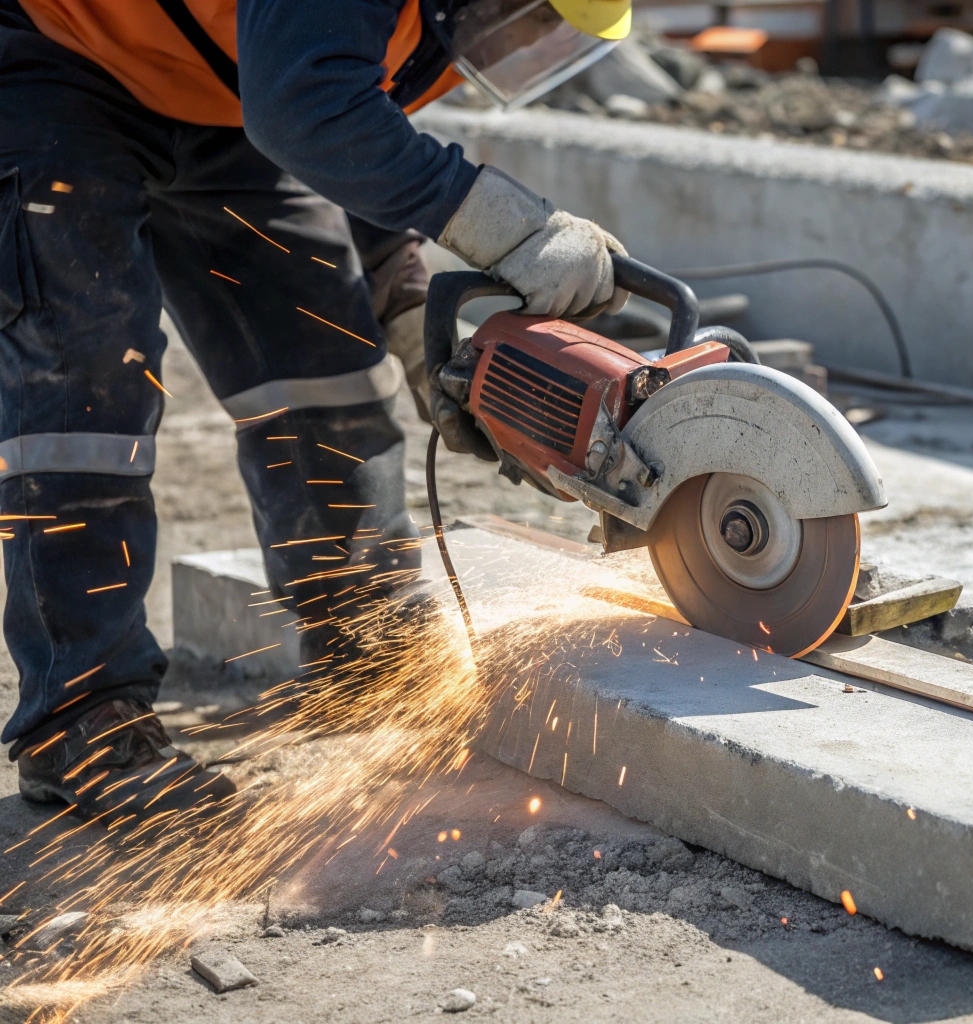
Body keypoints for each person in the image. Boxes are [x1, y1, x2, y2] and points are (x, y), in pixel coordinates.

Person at [0, 0, 630, 820]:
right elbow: (306, 108)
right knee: (85, 381)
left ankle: (363, 641)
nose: (534, 46)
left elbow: (343, 114)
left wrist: (404, 305)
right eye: (541, 20)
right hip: (53, 57)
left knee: (323, 354)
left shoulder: (416, 16)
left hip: (218, 89)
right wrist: (514, 229)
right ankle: (80, 719)